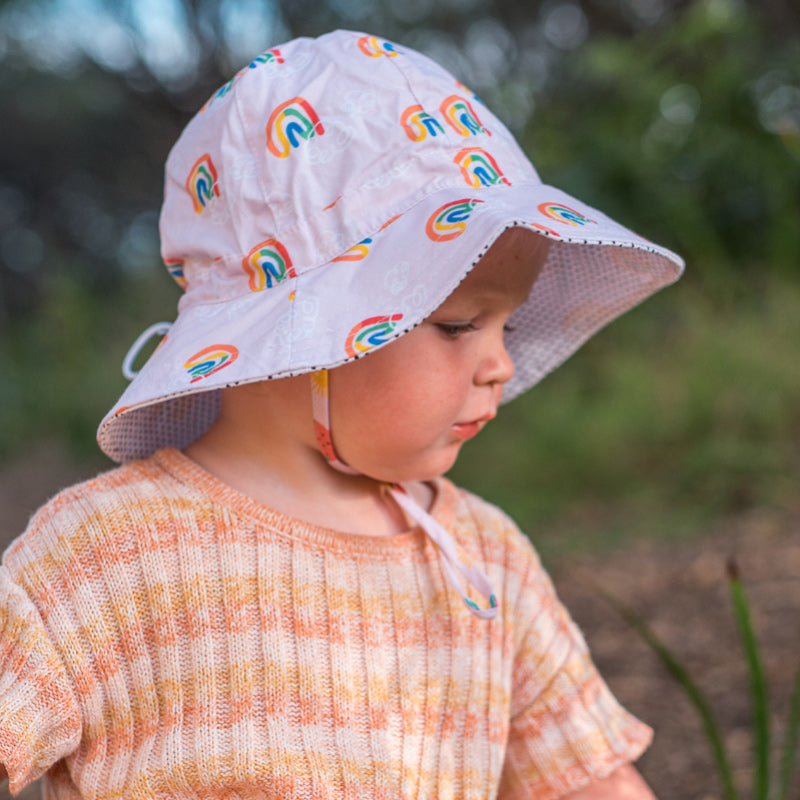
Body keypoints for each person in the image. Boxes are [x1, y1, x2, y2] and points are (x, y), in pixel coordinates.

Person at [0, 29, 683, 800]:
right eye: (459, 325)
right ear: (302, 329)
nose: (501, 364)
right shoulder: (105, 560)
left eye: (509, 325)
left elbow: (584, 780)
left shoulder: (483, 561)